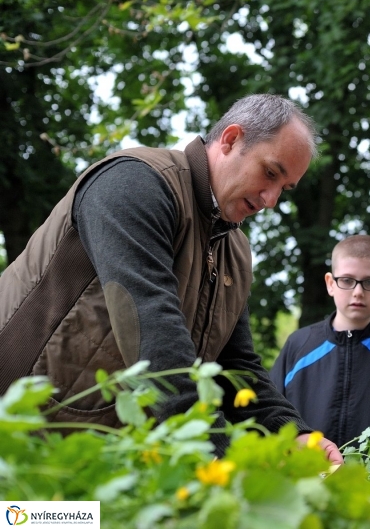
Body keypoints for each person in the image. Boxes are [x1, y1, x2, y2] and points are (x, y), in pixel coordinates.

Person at [0, 94, 342, 464]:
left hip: (93, 460)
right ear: (230, 140)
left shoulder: (234, 249)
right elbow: (150, 323)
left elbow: (236, 367)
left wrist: (295, 433)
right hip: (18, 439)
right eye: (270, 173)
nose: (271, 199)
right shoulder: (133, 182)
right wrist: (217, 458)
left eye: (284, 188)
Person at [270, 234, 370, 448]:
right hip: (306, 476)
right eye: (347, 280)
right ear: (330, 284)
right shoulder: (299, 344)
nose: (358, 292)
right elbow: (271, 415)